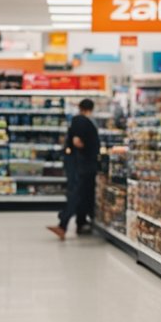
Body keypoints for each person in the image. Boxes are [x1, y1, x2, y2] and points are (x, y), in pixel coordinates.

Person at [47, 98, 101, 240]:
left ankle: (80, 224)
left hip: (84, 165)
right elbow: (77, 142)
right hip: (84, 164)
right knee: (78, 194)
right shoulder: (81, 120)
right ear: (91, 108)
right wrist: (88, 150)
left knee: (83, 194)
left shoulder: (80, 120)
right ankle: (63, 225)